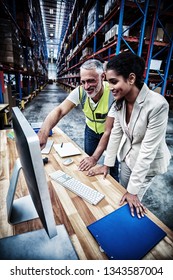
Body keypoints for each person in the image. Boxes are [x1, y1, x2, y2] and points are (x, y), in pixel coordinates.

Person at [87, 52, 171, 218]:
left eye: (113, 81)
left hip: (149, 164)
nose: (109, 87)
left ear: (131, 79)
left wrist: (133, 192)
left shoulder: (158, 105)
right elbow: (115, 135)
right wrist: (107, 164)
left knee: (131, 200)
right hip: (127, 157)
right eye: (108, 82)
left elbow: (148, 151)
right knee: (121, 194)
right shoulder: (120, 102)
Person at [38, 59, 119, 181]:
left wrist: (95, 157)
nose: (87, 86)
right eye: (83, 82)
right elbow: (60, 110)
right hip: (91, 132)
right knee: (88, 163)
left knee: (111, 164)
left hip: (110, 133)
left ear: (103, 76)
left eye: (91, 80)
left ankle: (116, 188)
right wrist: (43, 133)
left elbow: (110, 131)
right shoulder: (80, 92)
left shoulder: (113, 93)